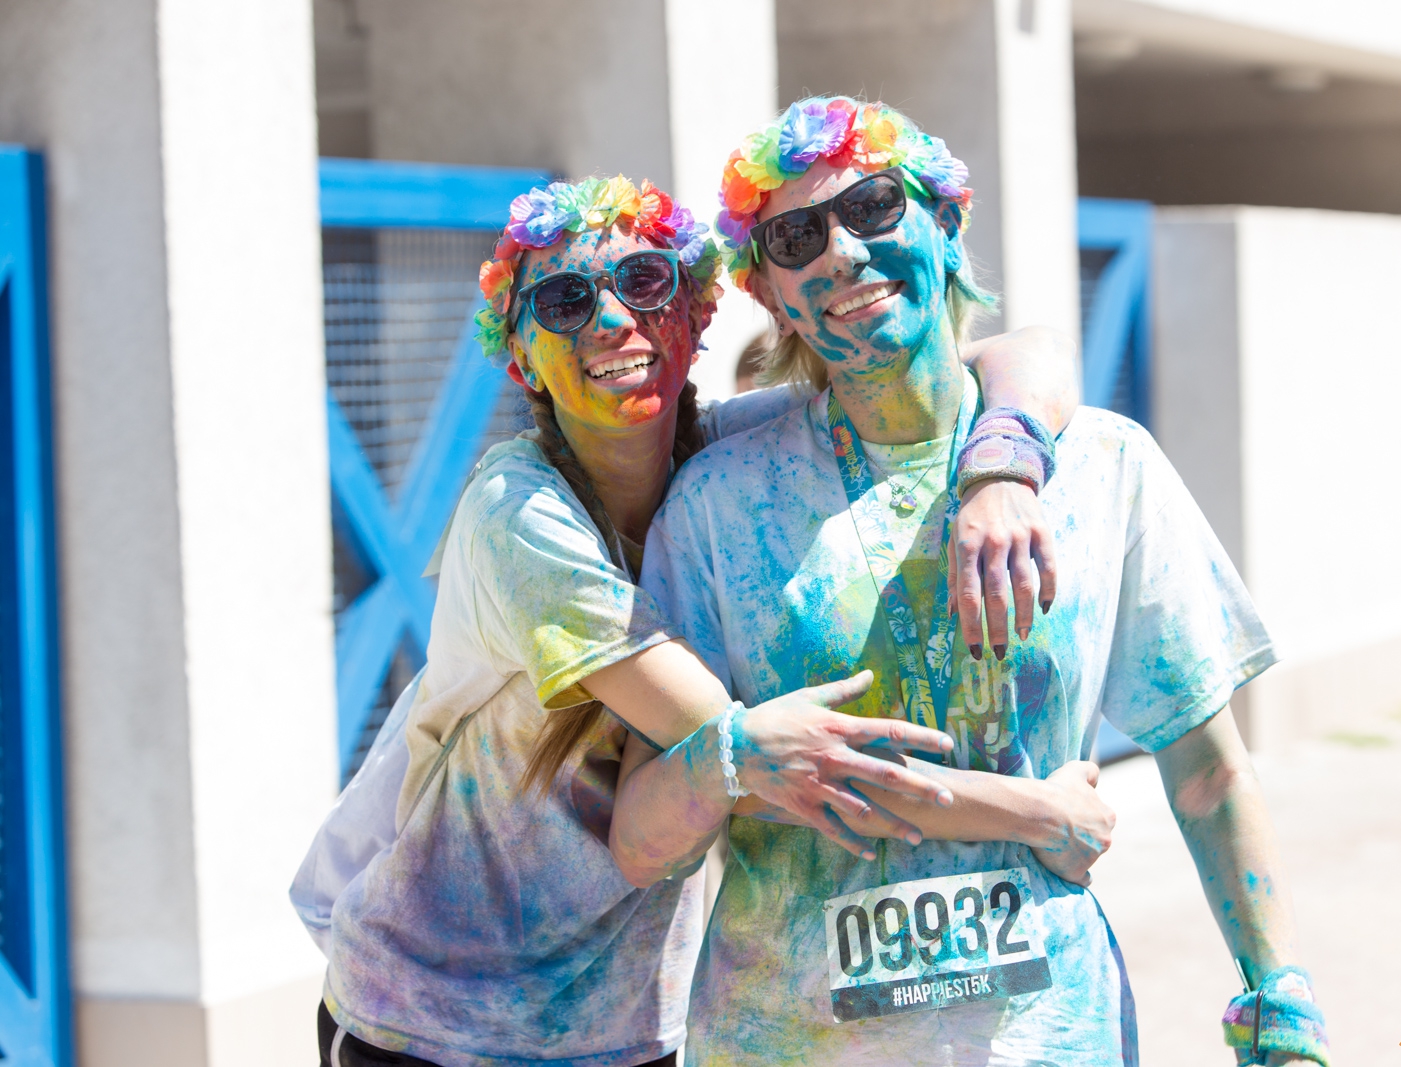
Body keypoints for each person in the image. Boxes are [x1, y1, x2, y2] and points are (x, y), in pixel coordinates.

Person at [295, 169, 1098, 1067]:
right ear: (522, 360)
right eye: (563, 301)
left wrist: (1001, 461)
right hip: (439, 1018)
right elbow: (771, 755)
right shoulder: (519, 517)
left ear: (697, 314)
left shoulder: (727, 462)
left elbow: (1024, 350)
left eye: (644, 282)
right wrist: (1037, 812)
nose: (609, 320)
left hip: (631, 1023)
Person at [612, 97, 1333, 1066]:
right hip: (786, 1037)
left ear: (945, 225)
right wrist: (734, 759)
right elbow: (645, 827)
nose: (839, 251)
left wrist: (1277, 995)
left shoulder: (1100, 465)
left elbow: (1205, 769)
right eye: (795, 235)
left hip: (1051, 1036)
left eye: (872, 206)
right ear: (774, 294)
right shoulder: (715, 505)